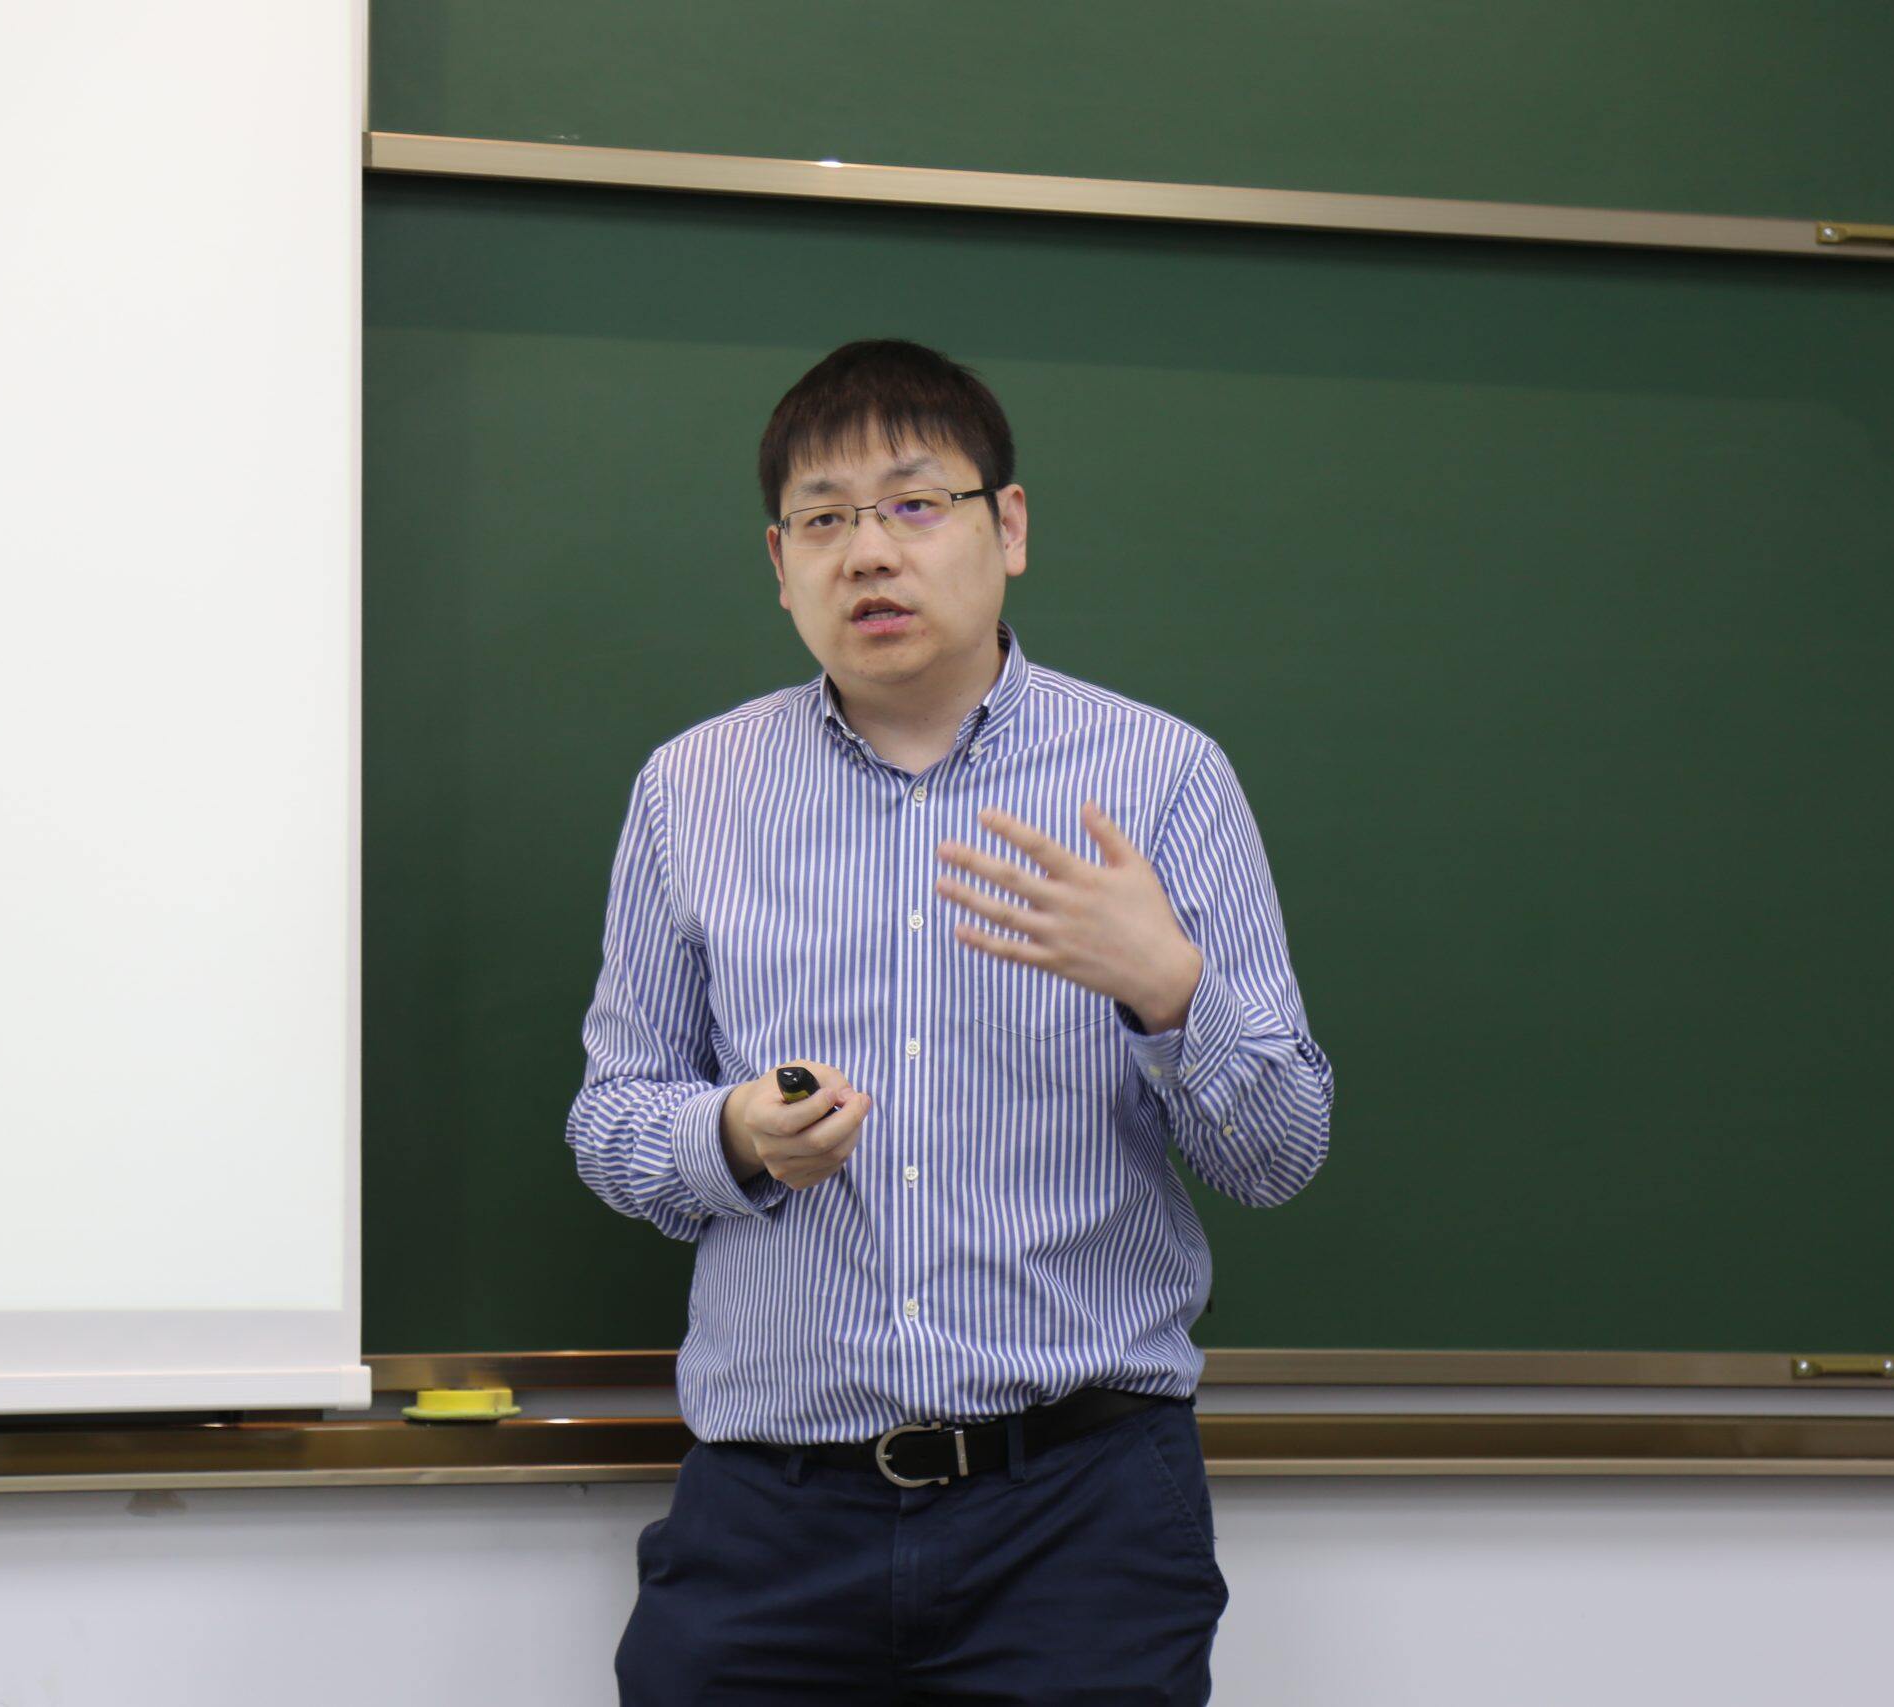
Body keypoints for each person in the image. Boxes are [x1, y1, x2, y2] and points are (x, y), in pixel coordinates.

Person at [566, 338, 1334, 1704]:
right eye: (825, 519)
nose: (869, 552)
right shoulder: (693, 790)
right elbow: (610, 1119)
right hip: (769, 1525)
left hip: (1080, 1518)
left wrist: (1170, 991)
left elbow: (1278, 1156)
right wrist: (732, 1136)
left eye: (915, 505)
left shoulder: (1159, 778)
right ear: (780, 561)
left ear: (1009, 527)